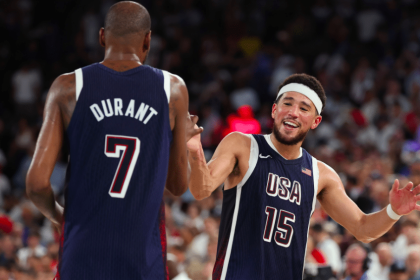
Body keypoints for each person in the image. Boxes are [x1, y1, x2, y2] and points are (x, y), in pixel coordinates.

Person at [26, 2, 201, 280]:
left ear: (102, 36)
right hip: (143, 260)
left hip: (82, 256)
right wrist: (176, 139)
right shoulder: (173, 89)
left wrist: (62, 218)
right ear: (148, 40)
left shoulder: (68, 87)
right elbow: (178, 185)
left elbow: (36, 184)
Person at [187, 73, 420, 280]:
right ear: (274, 110)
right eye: (287, 103)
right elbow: (202, 189)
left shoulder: (321, 174)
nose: (293, 112)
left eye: (304, 108)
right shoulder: (242, 144)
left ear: (315, 121)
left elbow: (363, 228)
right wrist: (196, 151)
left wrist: (393, 211)